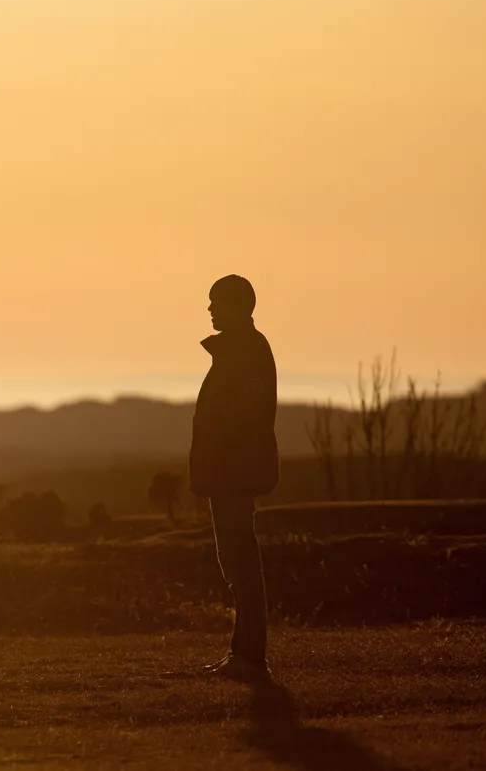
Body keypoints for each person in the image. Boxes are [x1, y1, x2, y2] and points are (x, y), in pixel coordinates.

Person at [189, 274, 278, 681]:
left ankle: (249, 656)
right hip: (226, 474)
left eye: (215, 302)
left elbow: (246, 420)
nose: (209, 310)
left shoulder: (247, 352)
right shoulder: (237, 351)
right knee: (235, 561)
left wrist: (222, 466)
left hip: (234, 475)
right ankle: (241, 653)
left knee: (241, 561)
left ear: (238, 306)